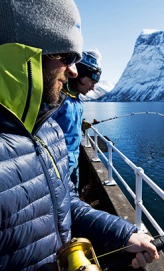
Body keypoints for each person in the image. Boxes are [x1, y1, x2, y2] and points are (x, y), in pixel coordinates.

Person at [0, 1, 158, 271]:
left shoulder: (47, 131)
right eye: (65, 56)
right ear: (20, 51)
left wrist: (121, 233)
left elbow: (64, 202)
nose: (75, 71)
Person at [52, 49, 102, 192]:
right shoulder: (57, 100)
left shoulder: (77, 100)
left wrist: (81, 125)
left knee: (74, 194)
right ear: (79, 73)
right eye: (91, 81)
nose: (93, 87)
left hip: (74, 161)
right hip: (59, 166)